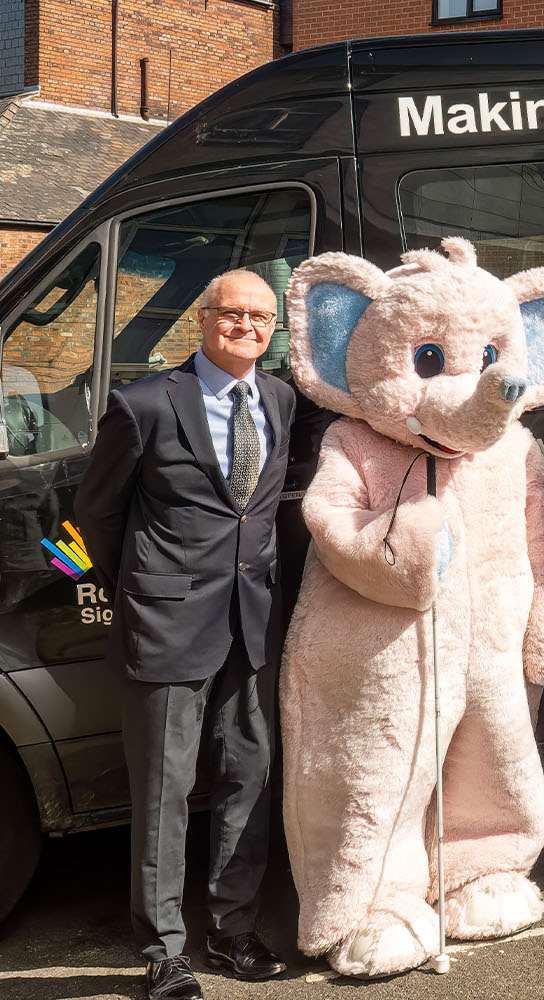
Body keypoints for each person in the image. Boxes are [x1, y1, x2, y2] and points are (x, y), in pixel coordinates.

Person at [76, 270, 296, 1000]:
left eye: (261, 316)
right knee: (165, 791)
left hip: (251, 625)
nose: (247, 327)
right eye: (232, 314)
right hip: (165, 626)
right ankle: (163, 949)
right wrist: (135, 589)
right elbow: (90, 520)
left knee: (248, 781)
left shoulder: (280, 400)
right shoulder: (143, 403)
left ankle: (233, 930)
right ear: (202, 320)